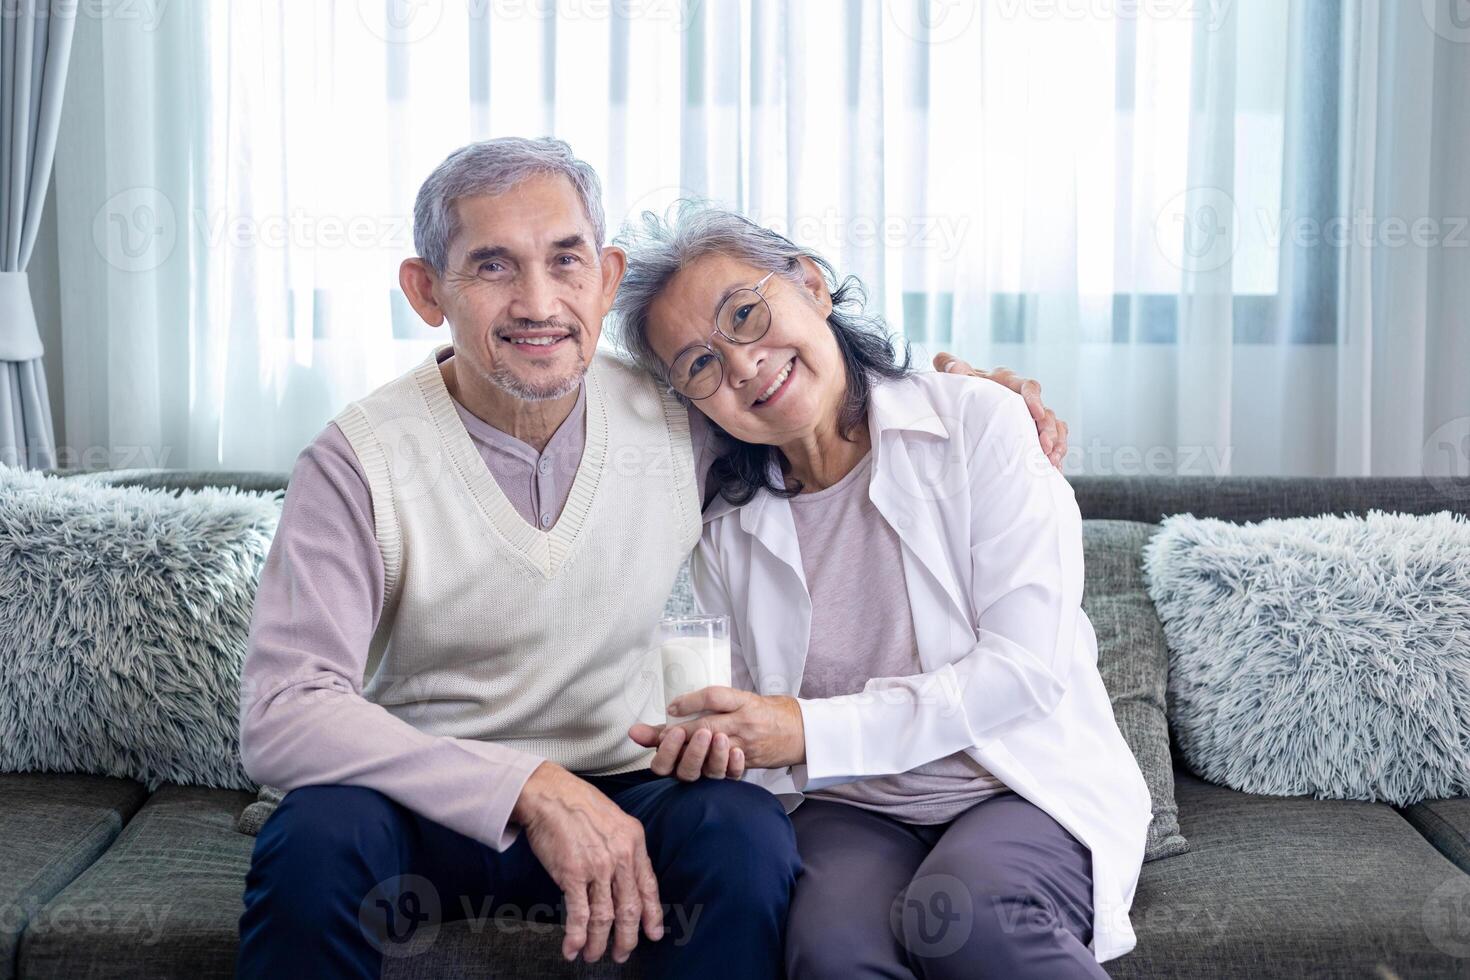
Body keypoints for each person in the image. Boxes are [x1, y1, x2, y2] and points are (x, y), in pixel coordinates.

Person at [234, 137, 1070, 978]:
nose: (537, 302)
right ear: (426, 291)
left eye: (565, 260)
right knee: (313, 838)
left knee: (743, 832)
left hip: (633, 789)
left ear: (604, 276)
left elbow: (804, 395)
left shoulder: (685, 411)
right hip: (429, 801)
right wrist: (525, 788)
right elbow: (283, 712)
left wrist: (977, 398)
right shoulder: (359, 458)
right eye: (492, 267)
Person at [617, 201, 1151, 978]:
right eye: (700, 364)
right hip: (852, 807)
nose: (741, 364)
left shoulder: (982, 424)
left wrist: (806, 729)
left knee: (972, 909)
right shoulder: (726, 523)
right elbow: (746, 717)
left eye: (745, 313)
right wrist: (714, 738)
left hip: (1015, 784)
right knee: (832, 952)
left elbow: (1025, 672)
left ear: (811, 285)